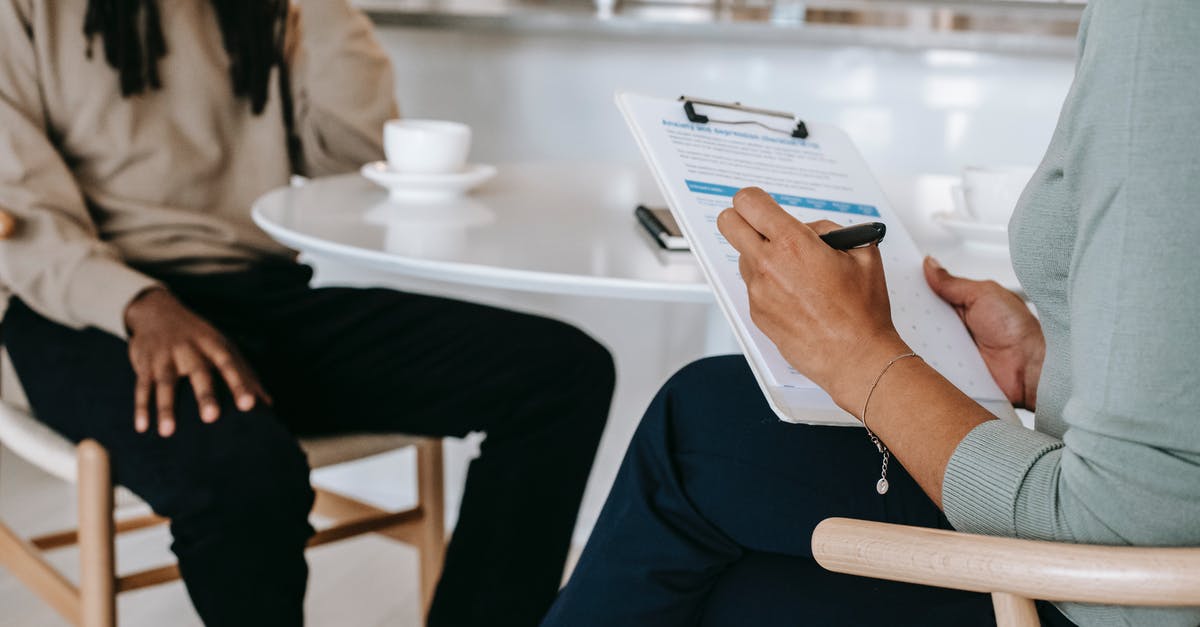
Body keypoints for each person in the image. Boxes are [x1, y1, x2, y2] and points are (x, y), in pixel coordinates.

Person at [541, 0, 1200, 625]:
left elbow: (1131, 549)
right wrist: (1051, 366)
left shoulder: (1162, 27)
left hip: (1094, 594)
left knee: (701, 425)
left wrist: (863, 359)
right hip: (1102, 542)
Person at [0, 1, 614, 625]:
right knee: (243, 474)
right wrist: (138, 304)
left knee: (561, 374)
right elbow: (16, 209)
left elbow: (356, 159)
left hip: (257, 291)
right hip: (79, 308)